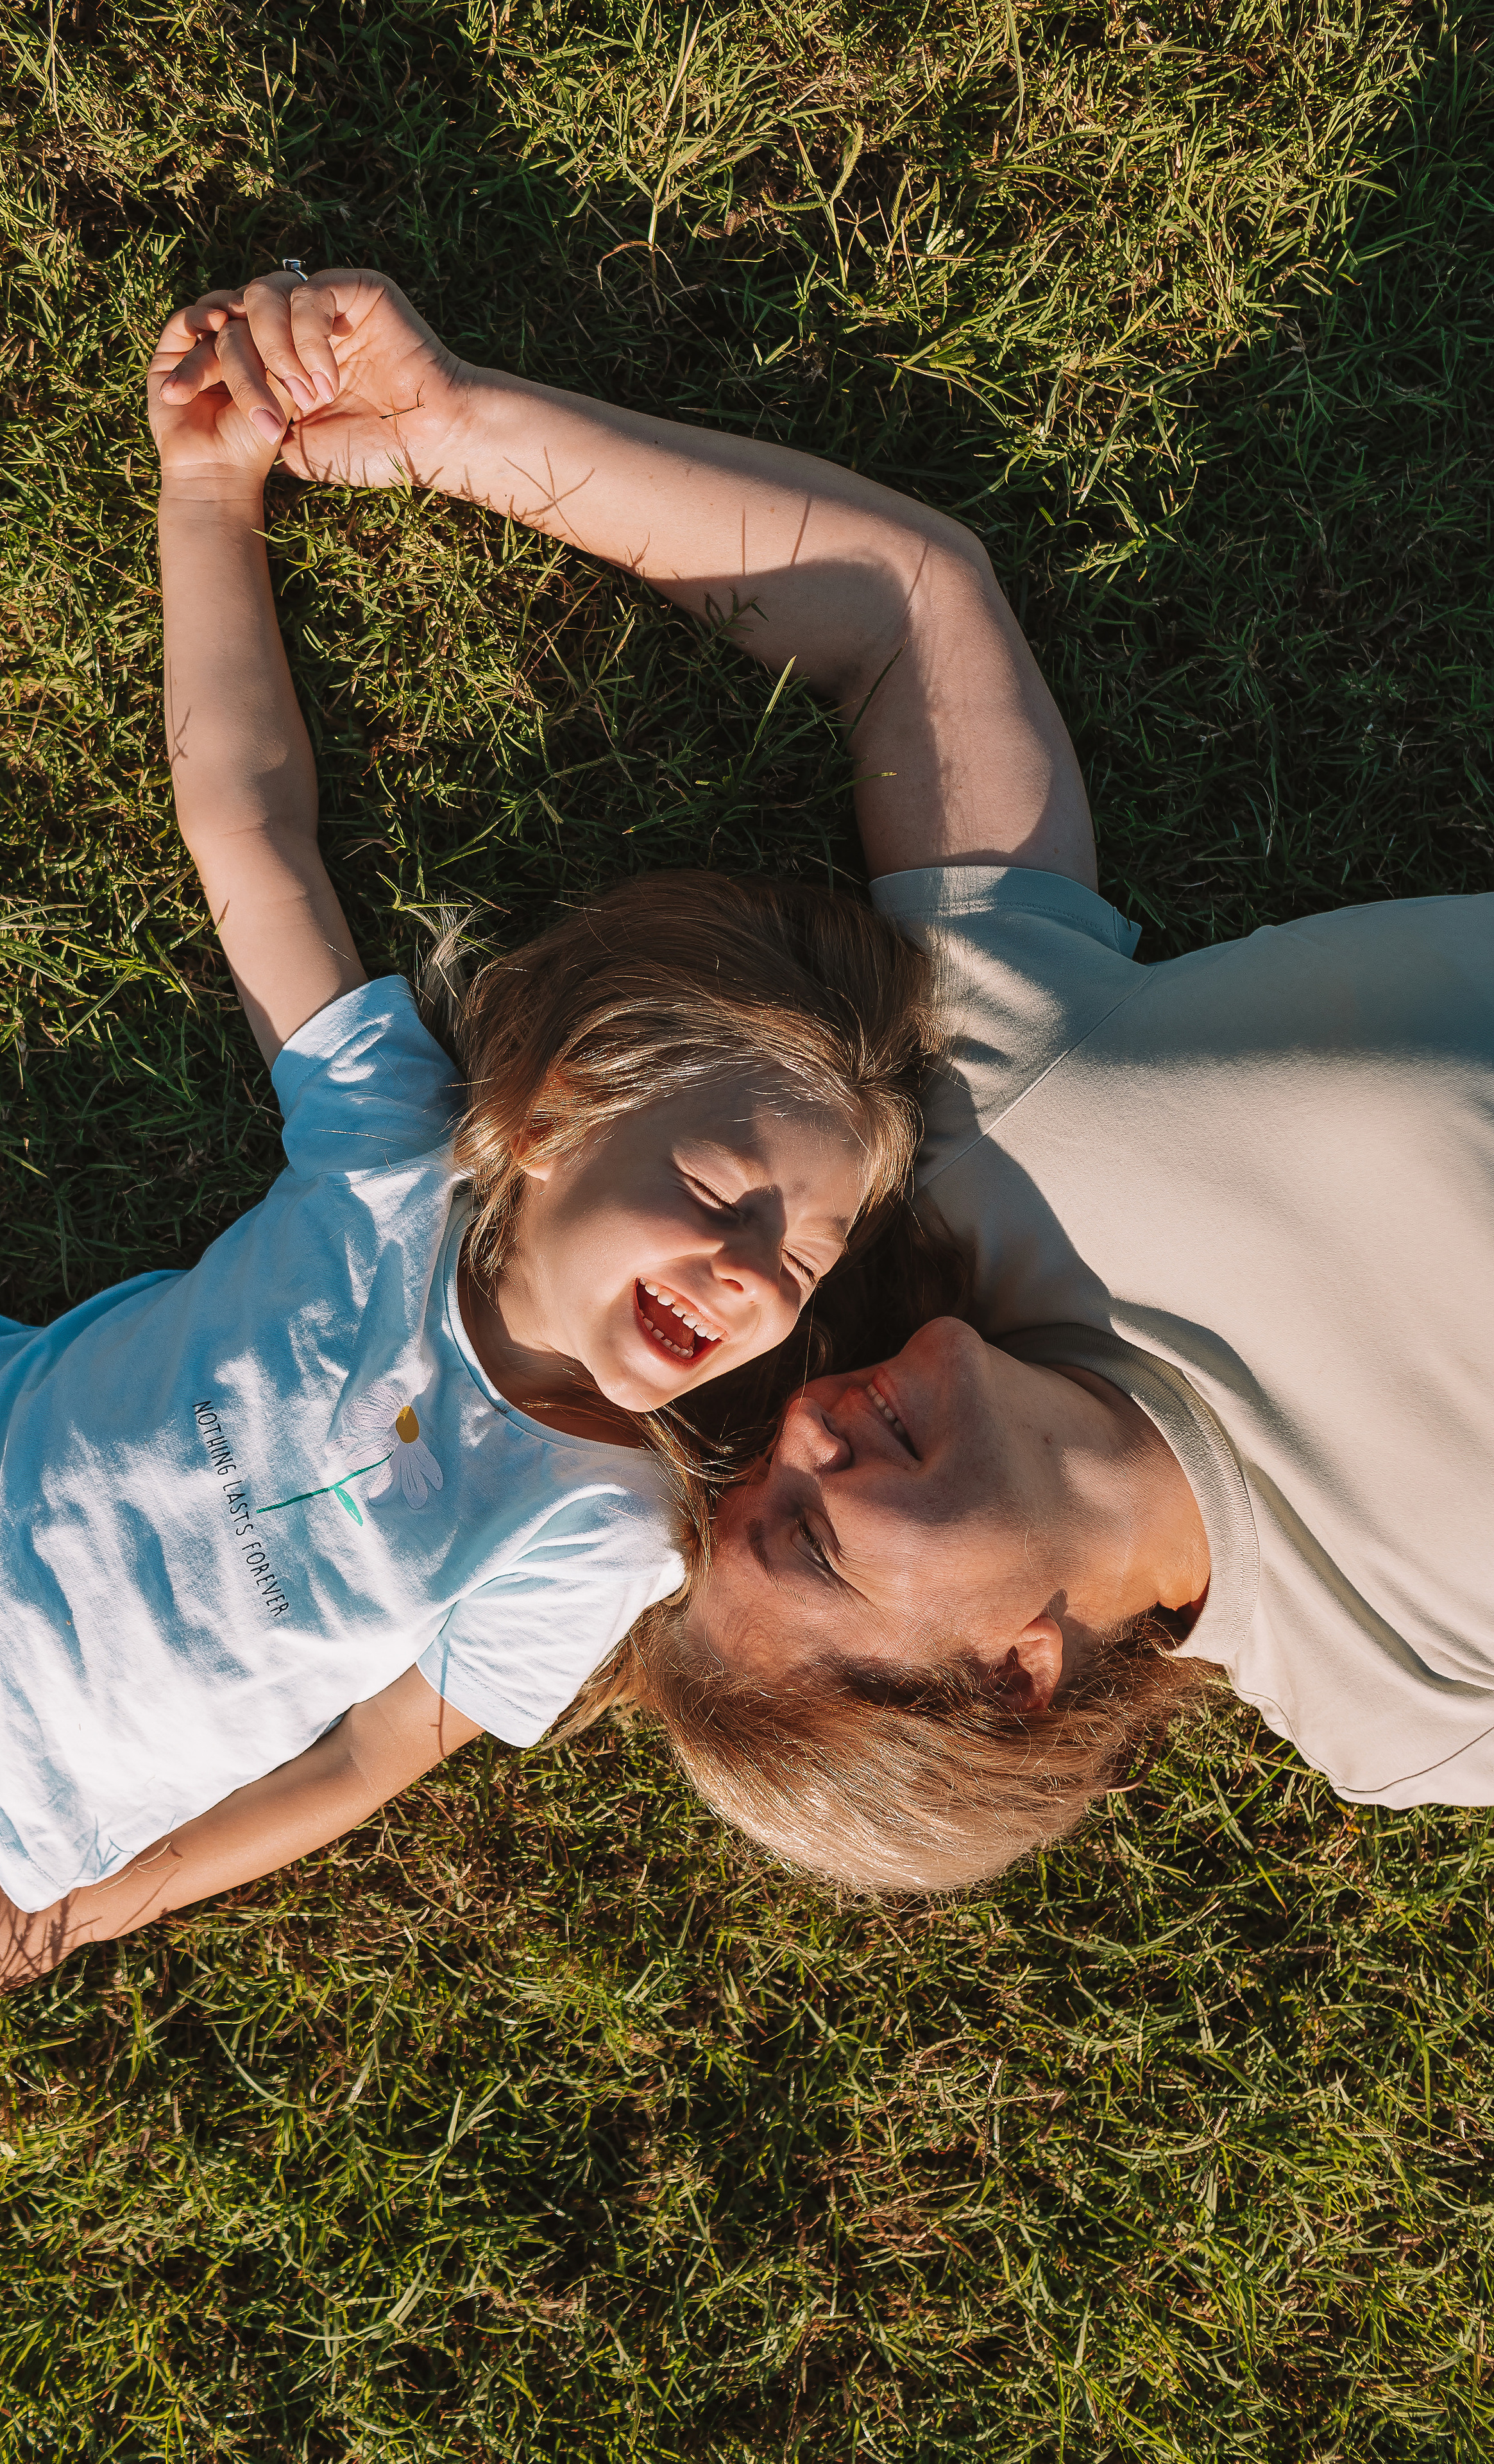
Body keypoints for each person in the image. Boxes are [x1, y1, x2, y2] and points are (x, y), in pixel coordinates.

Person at [152, 268, 1493, 1897]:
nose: (788, 1432)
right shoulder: (1403, 1700)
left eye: (754, 1487)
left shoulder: (949, 1136)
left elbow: (901, 615)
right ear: (1016, 1672)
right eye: (808, 1535)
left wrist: (454, 431)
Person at [0, 280, 940, 2019]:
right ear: (548, 1116)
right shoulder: (389, 1159)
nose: (753, 1269)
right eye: (722, 1191)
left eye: (801, 1261)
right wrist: (207, 502)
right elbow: (250, 830)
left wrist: (74, 1913)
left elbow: (367, 1759)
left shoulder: (600, 1529)